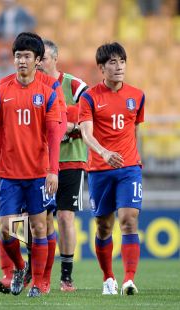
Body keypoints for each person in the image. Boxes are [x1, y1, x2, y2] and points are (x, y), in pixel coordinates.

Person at [0, 33, 62, 298]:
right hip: (8, 173)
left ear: (38, 60)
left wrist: (53, 170)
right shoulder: (1, 91)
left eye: (27, 56)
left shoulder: (48, 92)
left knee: (39, 227)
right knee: (7, 228)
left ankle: (39, 282)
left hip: (38, 173)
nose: (21, 61)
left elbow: (53, 134)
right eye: (18, 56)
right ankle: (20, 267)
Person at [79, 42, 144, 296]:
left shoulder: (137, 96)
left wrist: (134, 156)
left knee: (128, 220)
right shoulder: (89, 97)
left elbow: (135, 129)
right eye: (113, 62)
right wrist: (105, 153)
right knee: (104, 226)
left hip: (129, 168)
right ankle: (108, 278)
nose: (119, 67)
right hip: (99, 169)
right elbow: (86, 134)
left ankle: (129, 280)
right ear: (101, 68)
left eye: (122, 62)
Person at [38, 39, 89, 292]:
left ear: (55, 59)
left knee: (66, 217)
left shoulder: (74, 85)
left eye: (44, 58)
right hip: (40, 163)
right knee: (41, 220)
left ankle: (66, 277)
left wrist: (66, 124)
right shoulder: (32, 87)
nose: (39, 63)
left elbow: (89, 117)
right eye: (38, 58)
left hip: (71, 161)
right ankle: (40, 275)